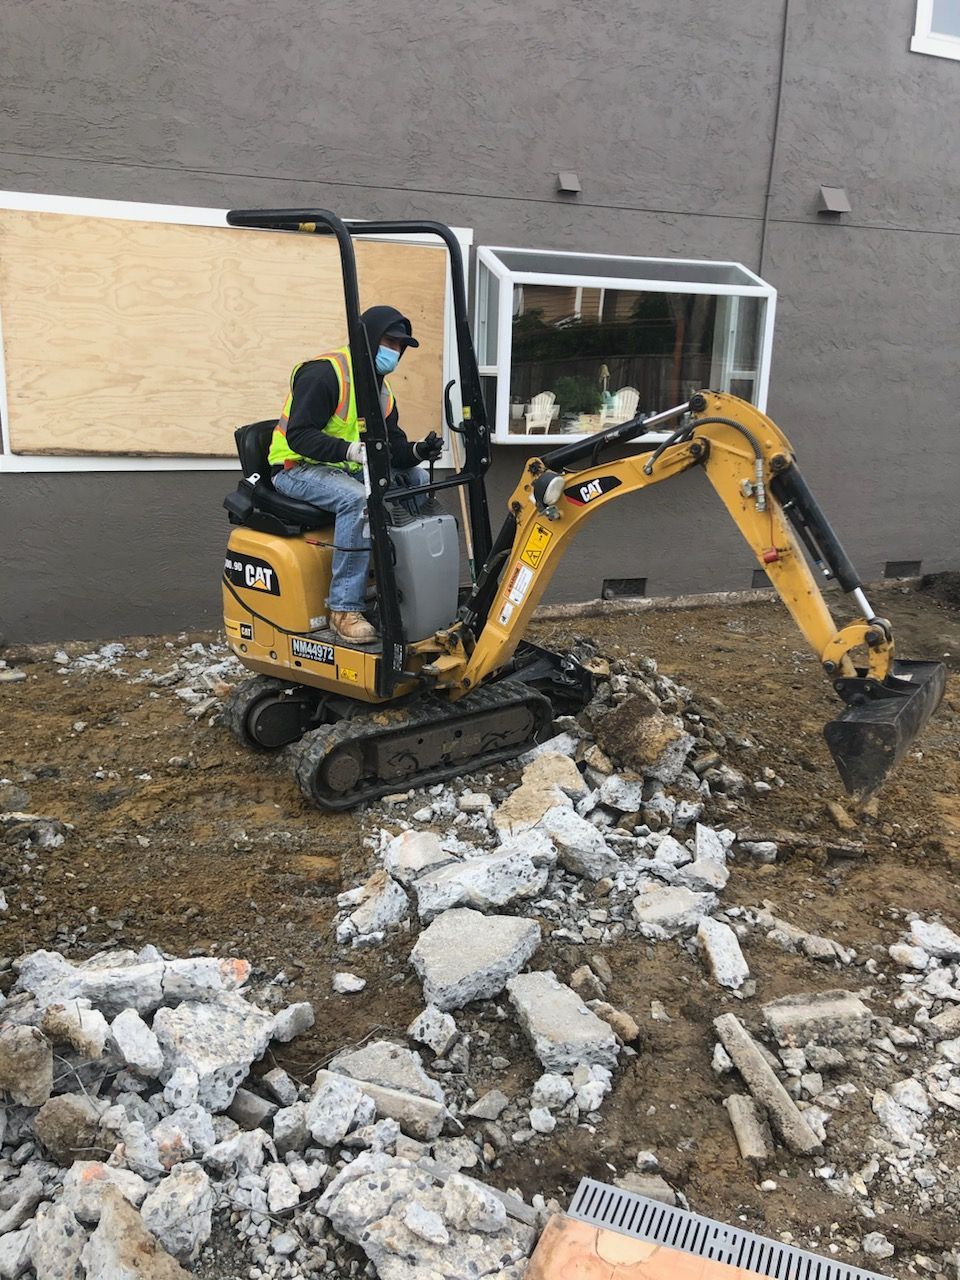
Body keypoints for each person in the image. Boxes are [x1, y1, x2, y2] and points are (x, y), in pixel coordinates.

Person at [269, 305, 444, 644]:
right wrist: (348, 450)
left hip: (347, 468)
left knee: (417, 480)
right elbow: (299, 436)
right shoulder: (325, 373)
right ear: (368, 337)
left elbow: (393, 447)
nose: (394, 351)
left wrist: (418, 452)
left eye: (399, 346)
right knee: (358, 499)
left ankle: (403, 584)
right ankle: (344, 609)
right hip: (296, 468)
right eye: (388, 342)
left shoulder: (381, 390)